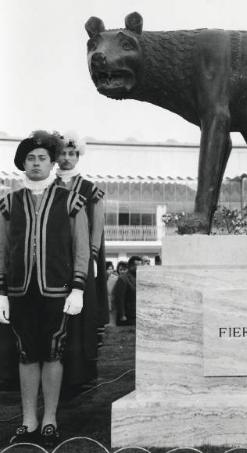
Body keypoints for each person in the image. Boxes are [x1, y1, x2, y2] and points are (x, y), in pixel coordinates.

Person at [0, 130, 89, 448]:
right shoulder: (9, 202)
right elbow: (3, 248)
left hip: (57, 291)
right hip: (20, 291)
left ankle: (50, 418)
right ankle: (28, 420)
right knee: (25, 354)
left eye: (42, 158)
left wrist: (78, 286)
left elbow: (81, 246)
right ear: (22, 164)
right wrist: (1, 292)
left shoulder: (71, 201)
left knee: (53, 353)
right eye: (30, 158)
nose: (36, 163)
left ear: (53, 164)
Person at [55, 131, 109, 390]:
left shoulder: (90, 189)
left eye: (71, 154)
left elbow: (97, 226)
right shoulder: (47, 186)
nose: (66, 158)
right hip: (52, 260)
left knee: (80, 316)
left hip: (81, 259)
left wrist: (94, 256)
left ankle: (80, 374)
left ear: (78, 156)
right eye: (62, 153)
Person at [113, 256, 142, 326]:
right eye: (138, 265)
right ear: (131, 266)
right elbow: (119, 298)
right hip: (127, 317)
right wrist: (122, 315)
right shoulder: (123, 279)